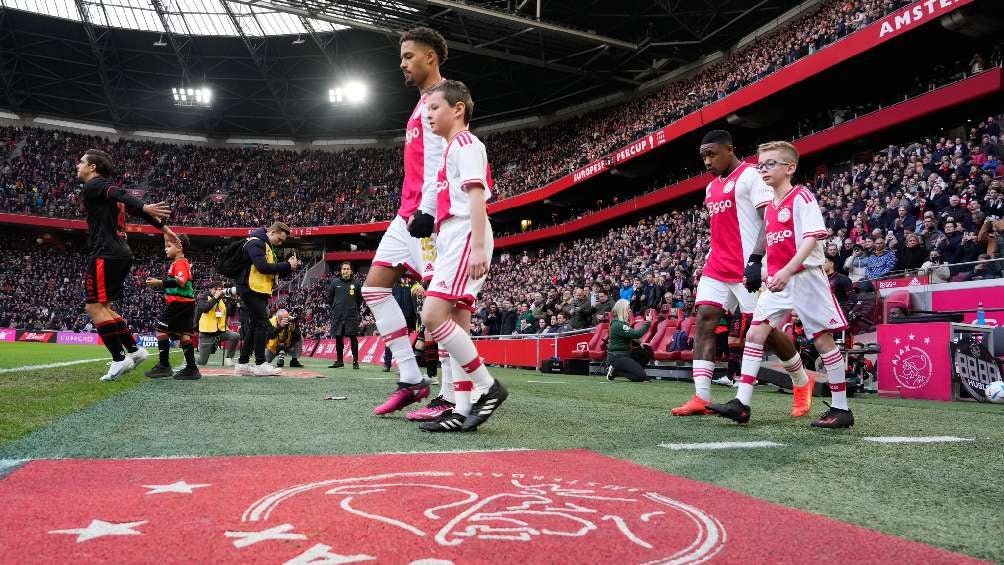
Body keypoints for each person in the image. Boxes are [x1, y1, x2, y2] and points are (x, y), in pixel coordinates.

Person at [708, 141, 853, 428]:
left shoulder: (801, 196)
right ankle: (742, 403)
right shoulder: (771, 207)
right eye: (761, 165)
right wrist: (761, 272)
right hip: (779, 281)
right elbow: (776, 249)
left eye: (771, 164)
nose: (763, 170)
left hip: (806, 278)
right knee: (755, 333)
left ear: (790, 168)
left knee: (822, 340)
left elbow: (812, 238)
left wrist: (787, 271)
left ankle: (842, 408)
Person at [672, 130, 811, 418]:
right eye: (703, 157)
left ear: (729, 150)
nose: (707, 161)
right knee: (705, 318)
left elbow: (767, 220)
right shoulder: (711, 189)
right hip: (717, 266)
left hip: (747, 267)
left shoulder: (751, 175)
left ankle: (801, 380)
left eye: (712, 154)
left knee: (764, 331)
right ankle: (701, 396)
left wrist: (757, 260)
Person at [365, 27, 451, 416]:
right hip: (405, 217)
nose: (401, 64)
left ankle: (451, 395)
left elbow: (446, 159)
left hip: (427, 218)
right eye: (401, 57)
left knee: (441, 305)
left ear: (430, 57)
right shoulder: (421, 104)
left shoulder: (443, 99)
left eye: (408, 56)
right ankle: (412, 377)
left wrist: (430, 210)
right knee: (374, 290)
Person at [418, 79, 506, 432]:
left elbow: (476, 197)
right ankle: (462, 408)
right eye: (425, 110)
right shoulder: (451, 150)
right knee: (457, 326)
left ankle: (488, 387)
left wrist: (479, 247)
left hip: (466, 233)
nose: (428, 115)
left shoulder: (466, 144)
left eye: (434, 108)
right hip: (453, 236)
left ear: (458, 109)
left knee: (432, 316)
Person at [77, 148, 177, 381]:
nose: (77, 165)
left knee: (93, 308)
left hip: (106, 252)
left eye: (81, 162)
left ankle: (119, 358)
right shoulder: (108, 194)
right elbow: (132, 206)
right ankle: (134, 350)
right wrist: (166, 229)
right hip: (121, 252)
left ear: (92, 167)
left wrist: (143, 206)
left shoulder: (96, 185)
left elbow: (120, 193)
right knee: (104, 307)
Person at [234, 222, 300, 376]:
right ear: (273, 231)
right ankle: (260, 363)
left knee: (255, 326)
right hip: (251, 289)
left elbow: (271, 272)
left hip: (258, 290)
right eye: (280, 238)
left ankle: (243, 363)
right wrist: (286, 265)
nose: (280, 243)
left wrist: (289, 268)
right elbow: (262, 267)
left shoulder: (265, 245)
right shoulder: (256, 242)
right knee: (262, 324)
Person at [143, 234, 200, 380]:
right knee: (184, 335)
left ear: (179, 247)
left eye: (169, 246)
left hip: (179, 303)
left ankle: (164, 366)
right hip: (187, 303)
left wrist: (160, 283)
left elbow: (179, 282)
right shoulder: (180, 262)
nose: (165, 249)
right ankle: (192, 368)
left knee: (160, 330)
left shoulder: (180, 263)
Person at [327, 262, 363, 369]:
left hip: (351, 316)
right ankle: (339, 361)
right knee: (338, 337)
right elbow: (330, 298)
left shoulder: (356, 284)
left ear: (351, 271)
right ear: (341, 271)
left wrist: (353, 308)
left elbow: (359, 299)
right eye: (344, 269)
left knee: (353, 338)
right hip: (338, 316)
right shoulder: (334, 283)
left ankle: (355, 361)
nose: (345, 271)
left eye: (347, 269)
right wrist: (335, 307)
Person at [605, 300, 653, 382]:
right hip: (617, 356)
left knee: (646, 350)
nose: (630, 310)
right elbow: (637, 334)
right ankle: (616, 371)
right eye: (628, 308)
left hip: (624, 354)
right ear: (622, 310)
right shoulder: (618, 325)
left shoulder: (620, 323)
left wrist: (640, 342)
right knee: (640, 377)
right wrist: (648, 322)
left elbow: (629, 336)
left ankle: (636, 371)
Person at [195, 282, 240, 366]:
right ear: (210, 289)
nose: (218, 291)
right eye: (215, 289)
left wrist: (233, 301)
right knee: (202, 362)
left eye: (220, 289)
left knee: (235, 336)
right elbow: (204, 308)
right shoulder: (202, 297)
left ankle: (228, 358)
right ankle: (192, 357)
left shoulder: (222, 300)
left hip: (221, 331)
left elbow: (231, 313)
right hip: (207, 333)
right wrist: (215, 297)